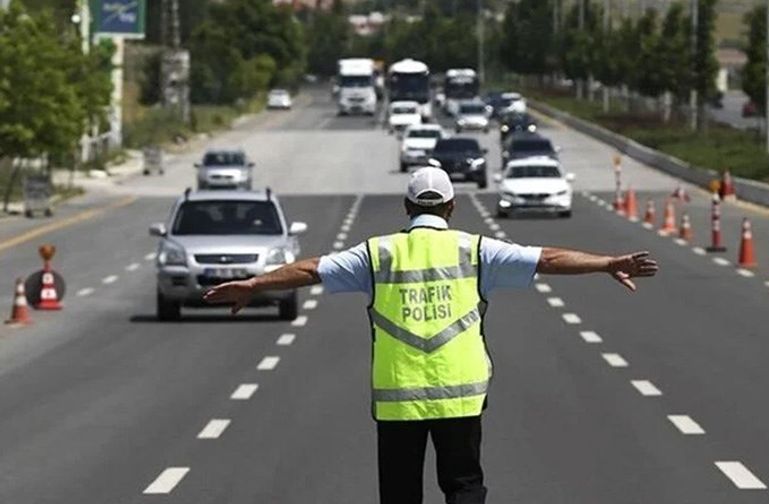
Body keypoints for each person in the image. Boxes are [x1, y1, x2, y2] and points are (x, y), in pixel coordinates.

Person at [204, 167, 659, 504]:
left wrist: (254, 284)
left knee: (401, 493)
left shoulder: (377, 253)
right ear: (451, 207)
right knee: (464, 485)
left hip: (399, 396)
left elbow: (310, 269)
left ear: (406, 208)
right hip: (460, 394)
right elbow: (548, 259)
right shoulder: (475, 249)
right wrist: (607, 263)